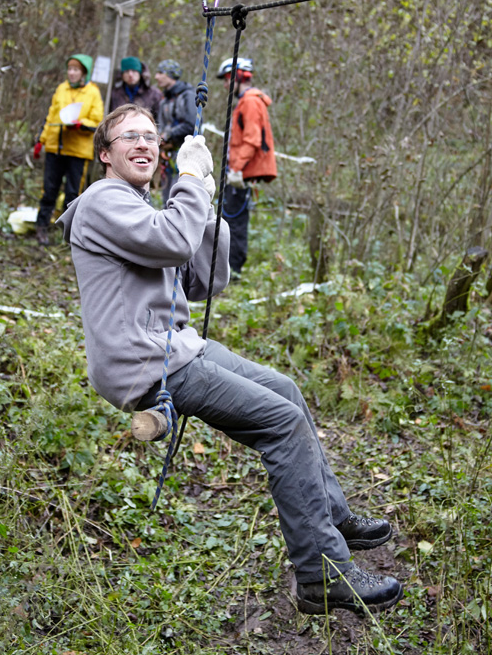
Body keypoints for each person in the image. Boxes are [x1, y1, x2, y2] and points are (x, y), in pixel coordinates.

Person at [56, 103, 403, 617]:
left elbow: (203, 283)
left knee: (284, 389)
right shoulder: (104, 200)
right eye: (129, 137)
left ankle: (332, 517)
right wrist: (191, 183)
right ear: (105, 155)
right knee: (282, 424)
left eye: (151, 136)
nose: (144, 144)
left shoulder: (141, 205)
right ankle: (323, 578)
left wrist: (205, 200)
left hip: (176, 344)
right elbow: (173, 240)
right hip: (147, 363)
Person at [216, 57, 278, 279]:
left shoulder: (250, 102)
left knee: (234, 222)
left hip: (241, 173)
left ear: (239, 76)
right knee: (230, 219)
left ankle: (233, 270)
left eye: (227, 79)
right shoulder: (246, 101)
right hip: (240, 171)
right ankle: (228, 268)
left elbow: (251, 140)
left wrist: (236, 170)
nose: (225, 85)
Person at [34, 53, 103, 247]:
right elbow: (51, 116)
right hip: (55, 148)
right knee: (49, 190)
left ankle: (70, 235)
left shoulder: (92, 92)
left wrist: (81, 124)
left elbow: (97, 120)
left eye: (76, 70)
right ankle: (41, 228)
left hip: (78, 151)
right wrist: (41, 140)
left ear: (84, 73)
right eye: (70, 69)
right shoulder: (61, 89)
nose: (71, 73)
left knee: (73, 193)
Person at [154, 59, 196, 203]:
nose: (156, 77)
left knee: (178, 198)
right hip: (169, 155)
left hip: (185, 156)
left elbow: (192, 125)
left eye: (160, 73)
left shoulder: (187, 95)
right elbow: (161, 126)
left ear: (170, 75)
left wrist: (168, 134)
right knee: (167, 197)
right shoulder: (165, 100)